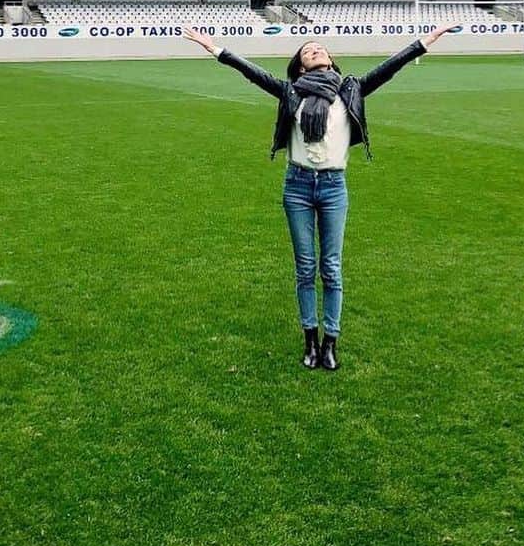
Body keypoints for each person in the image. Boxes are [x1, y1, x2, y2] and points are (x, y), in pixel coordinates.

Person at [181, 24, 457, 371]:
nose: (315, 49)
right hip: (297, 186)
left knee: (331, 268)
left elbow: (391, 67)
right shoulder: (290, 91)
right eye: (307, 49)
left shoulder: (351, 89)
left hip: (333, 187)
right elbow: (252, 72)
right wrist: (215, 48)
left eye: (320, 47)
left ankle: (330, 343)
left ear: (330, 59)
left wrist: (426, 41)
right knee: (305, 268)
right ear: (300, 66)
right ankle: (310, 340)